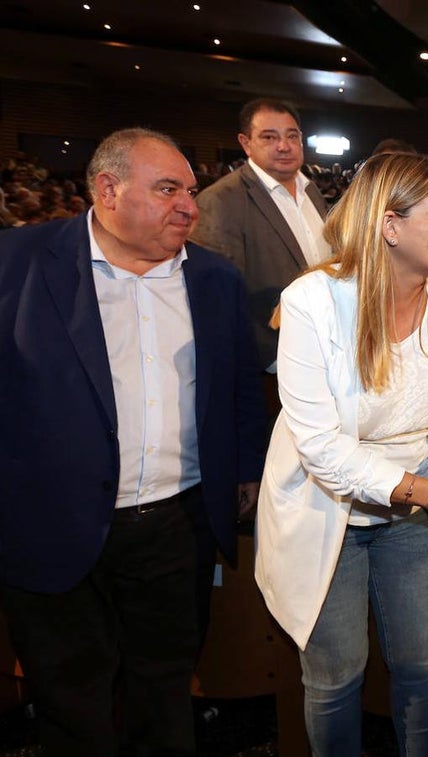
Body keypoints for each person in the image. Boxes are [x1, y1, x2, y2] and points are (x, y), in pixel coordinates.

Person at [0, 128, 265, 756]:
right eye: (168, 189)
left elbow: (240, 386)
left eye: (191, 192)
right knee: (71, 702)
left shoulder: (216, 279)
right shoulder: (17, 263)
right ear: (108, 190)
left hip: (176, 524)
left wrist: (245, 472)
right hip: (50, 523)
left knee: (165, 691)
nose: (188, 206)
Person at [254, 152, 428, 757]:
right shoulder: (313, 301)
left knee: (421, 665)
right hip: (327, 511)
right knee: (335, 675)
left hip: (413, 514)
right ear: (390, 225)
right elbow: (320, 447)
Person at [191, 98, 329, 373]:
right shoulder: (221, 200)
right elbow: (218, 300)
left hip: (323, 348)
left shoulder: (311, 191)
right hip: (269, 362)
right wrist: (267, 358)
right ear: (246, 143)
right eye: (269, 137)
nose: (284, 146)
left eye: (292, 136)